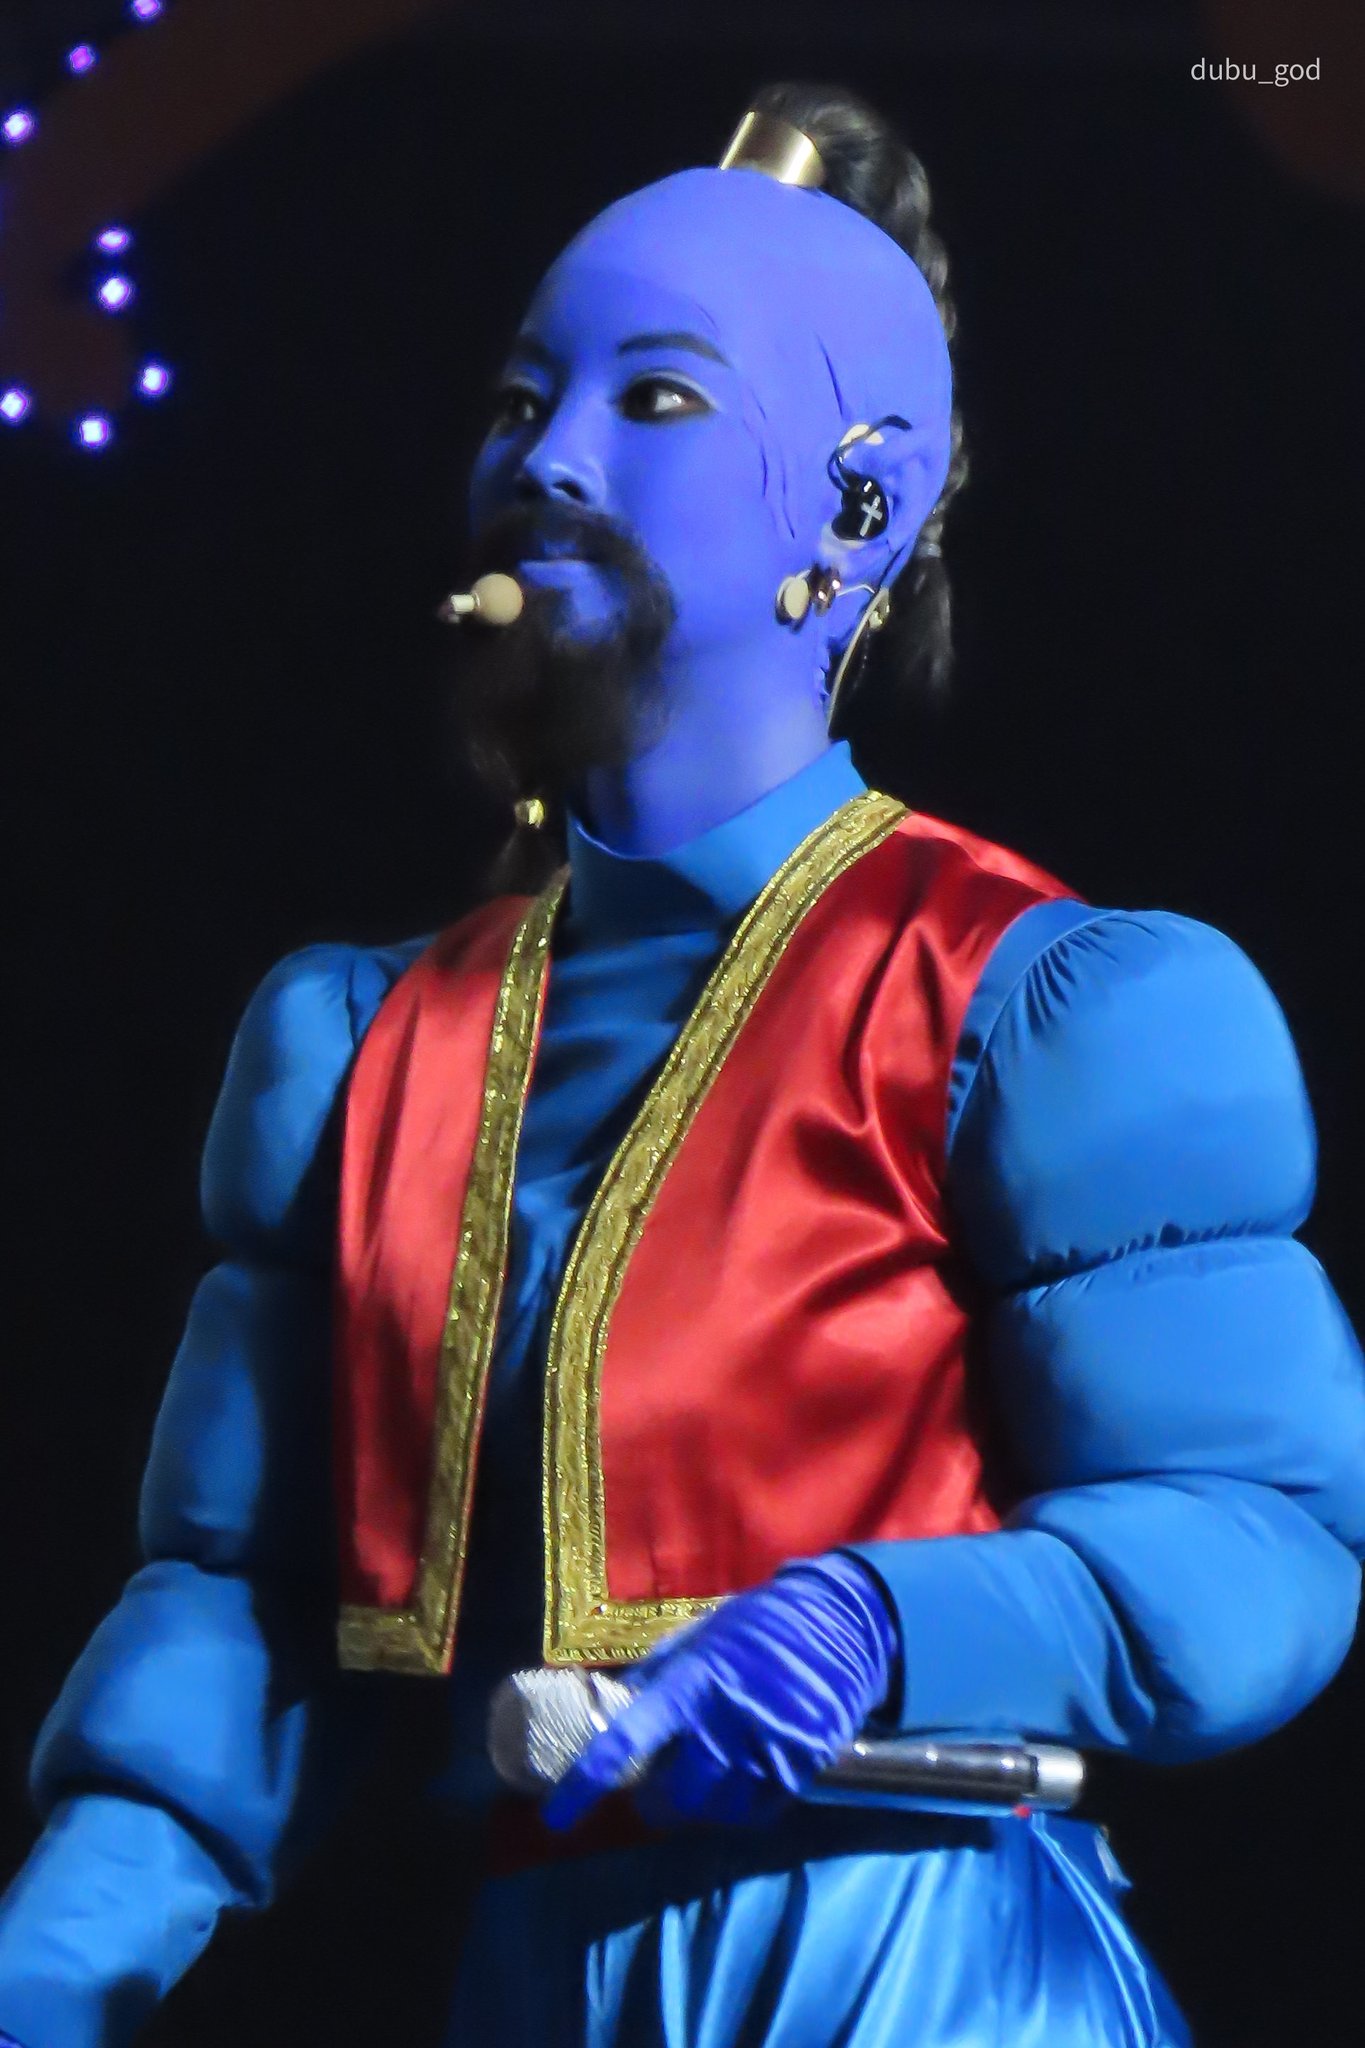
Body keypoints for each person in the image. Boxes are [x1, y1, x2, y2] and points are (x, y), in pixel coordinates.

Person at [2, 79, 1363, 2048]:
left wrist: (875, 1622)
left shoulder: (1049, 1005)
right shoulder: (352, 1047)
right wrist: (43, 1974)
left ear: (854, 509)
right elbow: (241, 1613)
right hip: (539, 1985)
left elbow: (1261, 1536)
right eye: (515, 401)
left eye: (651, 400)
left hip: (913, 1977)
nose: (543, 458)